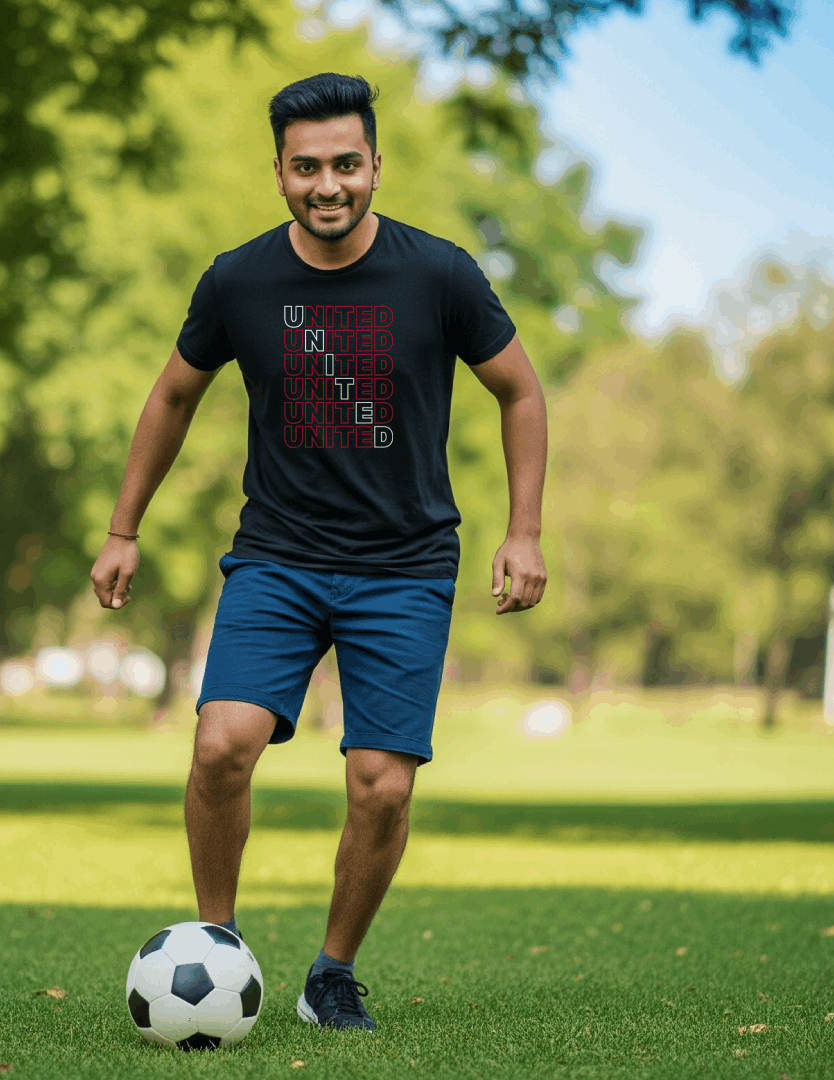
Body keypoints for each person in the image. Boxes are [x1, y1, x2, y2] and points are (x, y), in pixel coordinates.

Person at [91, 72, 548, 1031]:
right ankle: (216, 947)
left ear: (376, 164)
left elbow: (521, 391)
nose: (327, 184)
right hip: (279, 558)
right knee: (221, 745)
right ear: (280, 173)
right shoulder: (239, 280)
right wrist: (124, 528)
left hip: (407, 567)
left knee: (380, 787)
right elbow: (173, 394)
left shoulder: (441, 275)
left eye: (346, 163)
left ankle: (332, 974)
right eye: (307, 168)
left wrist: (524, 530)